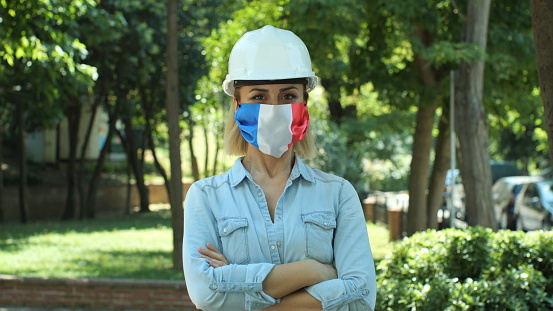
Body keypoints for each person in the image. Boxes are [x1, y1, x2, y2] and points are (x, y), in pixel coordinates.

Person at [182, 25, 377, 311]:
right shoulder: (205, 197)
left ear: (304, 103)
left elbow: (361, 297)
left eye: (288, 97)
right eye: (258, 97)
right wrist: (315, 272)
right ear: (237, 104)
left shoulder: (338, 194)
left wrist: (238, 286)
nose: (274, 108)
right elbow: (206, 293)